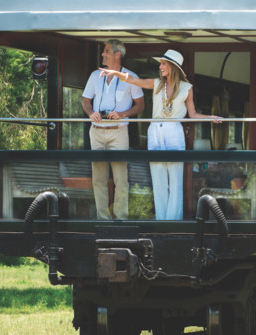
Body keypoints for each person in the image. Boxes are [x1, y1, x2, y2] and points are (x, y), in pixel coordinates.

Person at [99, 49, 221, 220]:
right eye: (161, 64)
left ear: (173, 67)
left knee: (175, 179)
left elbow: (192, 114)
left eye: (163, 64)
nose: (161, 67)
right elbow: (134, 80)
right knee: (158, 178)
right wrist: (116, 73)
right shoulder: (157, 84)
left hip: (174, 130)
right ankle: (161, 220)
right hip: (155, 130)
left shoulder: (187, 88)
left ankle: (173, 221)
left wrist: (210, 117)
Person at [82, 39, 145, 220]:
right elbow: (86, 100)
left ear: (117, 54)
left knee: (121, 179)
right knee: (98, 179)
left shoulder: (130, 77)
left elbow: (140, 105)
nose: (103, 54)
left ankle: (121, 218)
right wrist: (91, 113)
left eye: (107, 51)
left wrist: (123, 114)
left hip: (118, 132)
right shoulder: (95, 75)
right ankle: (103, 219)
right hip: (96, 130)